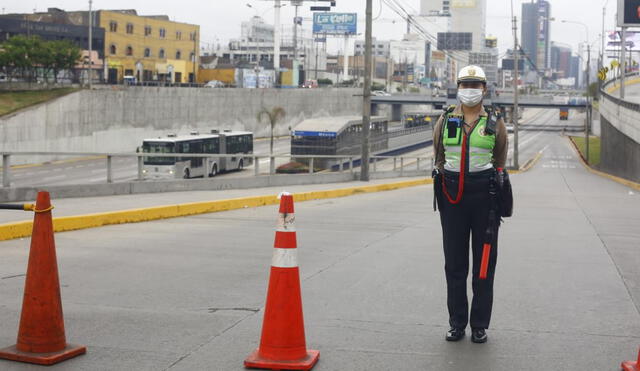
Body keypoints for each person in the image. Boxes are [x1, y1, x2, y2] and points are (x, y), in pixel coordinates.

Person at [432, 65, 508, 344]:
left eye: (475, 85)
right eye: (465, 85)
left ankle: (479, 324)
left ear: (484, 89)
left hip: (485, 200)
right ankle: (457, 323)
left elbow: (499, 160)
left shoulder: (495, 121)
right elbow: (438, 157)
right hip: (452, 199)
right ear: (457, 88)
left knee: (484, 266)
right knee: (454, 264)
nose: (470, 90)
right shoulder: (445, 119)